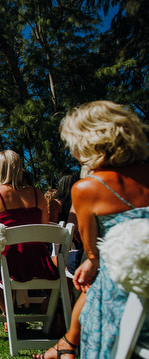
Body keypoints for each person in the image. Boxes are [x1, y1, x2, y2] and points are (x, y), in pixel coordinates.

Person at [33, 100, 149, 359]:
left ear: (87, 141)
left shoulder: (88, 188)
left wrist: (91, 263)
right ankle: (65, 346)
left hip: (126, 298)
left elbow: (93, 254)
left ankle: (68, 347)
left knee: (93, 288)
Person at [0, 150, 58, 320]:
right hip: (38, 259)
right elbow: (45, 227)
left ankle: (8, 314)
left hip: (10, 259)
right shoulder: (37, 193)